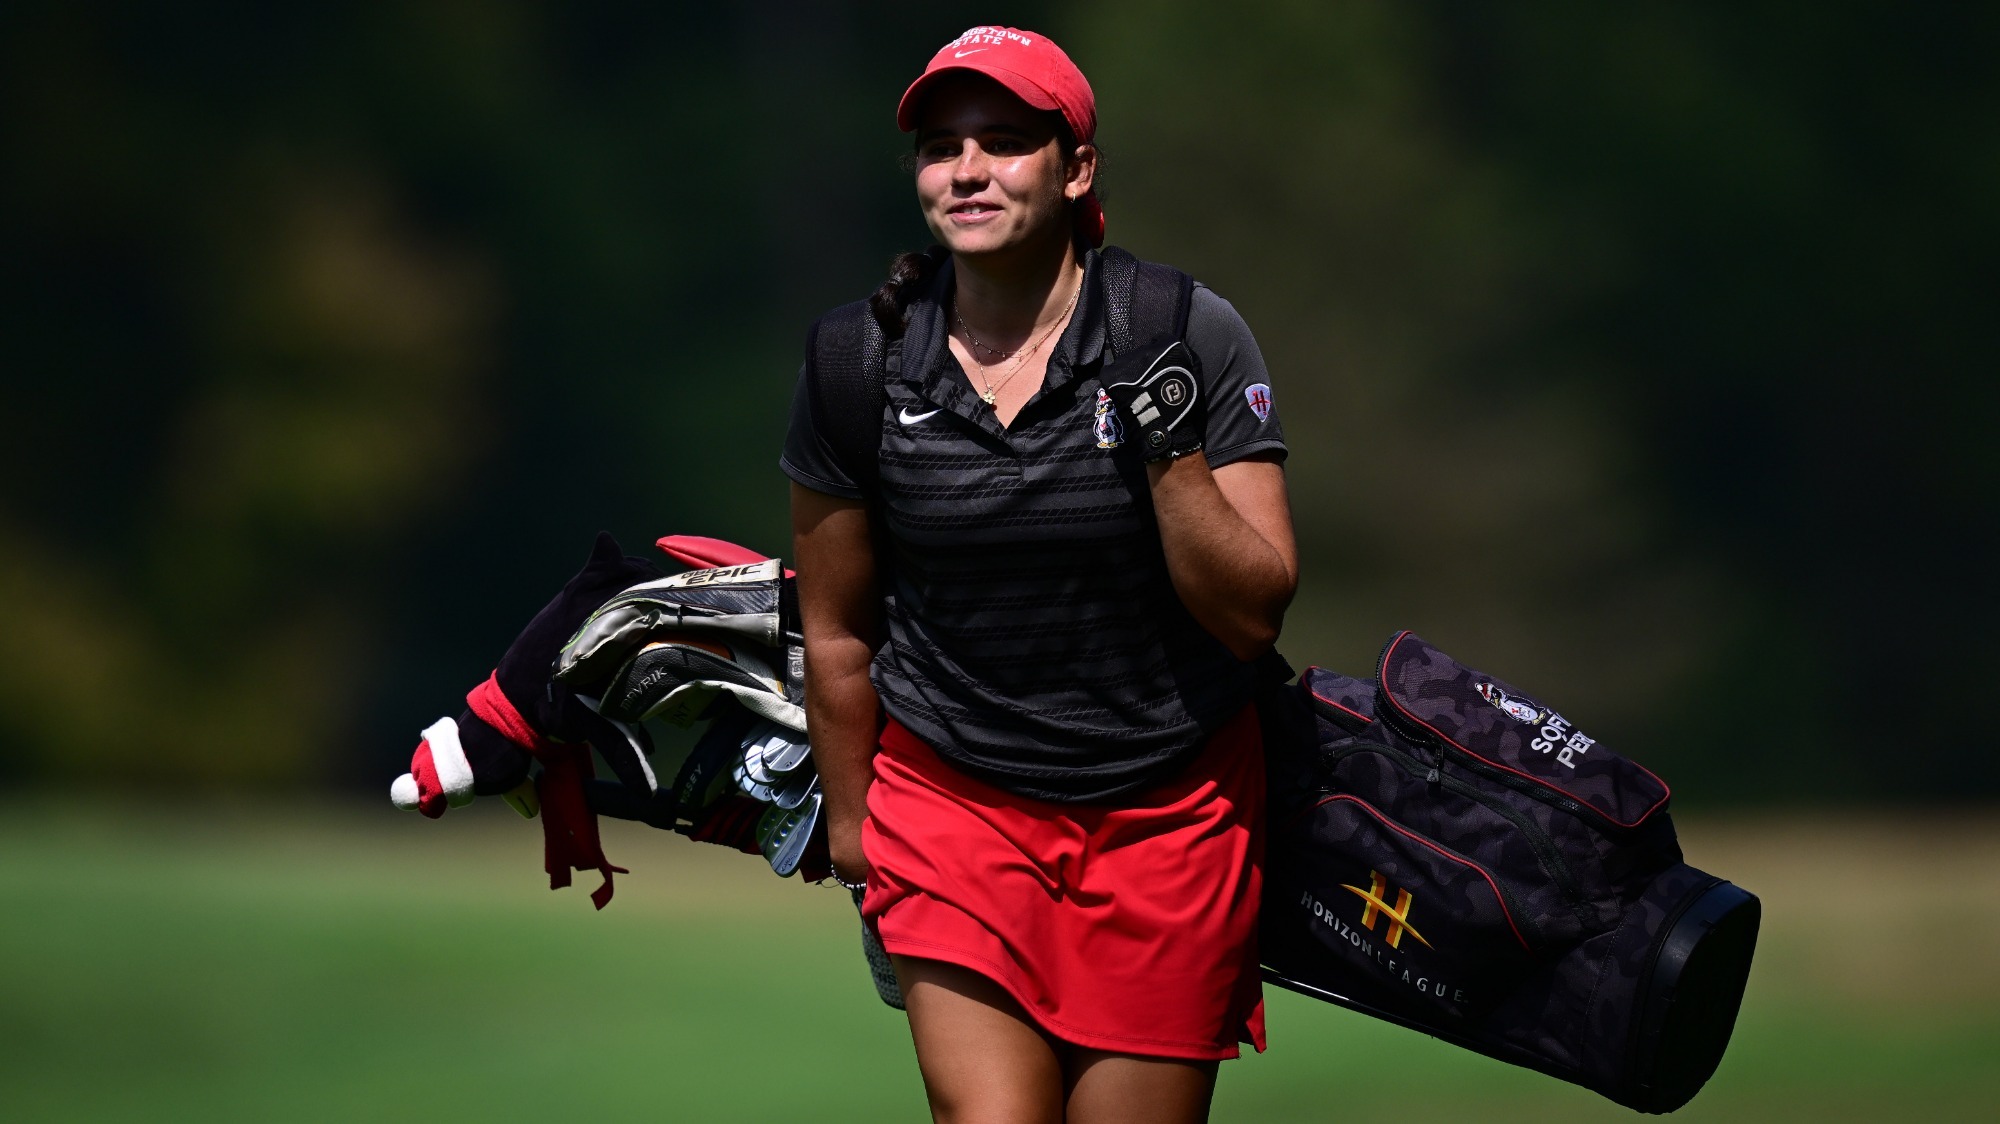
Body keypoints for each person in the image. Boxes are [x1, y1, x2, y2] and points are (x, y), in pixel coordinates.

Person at [782, 25, 1297, 1124]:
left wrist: (1165, 450)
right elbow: (835, 629)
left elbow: (1252, 614)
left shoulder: (1181, 332)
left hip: (1170, 808)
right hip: (951, 804)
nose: (965, 169)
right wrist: (852, 827)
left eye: (1004, 141)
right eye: (939, 146)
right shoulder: (853, 362)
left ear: (1074, 168)